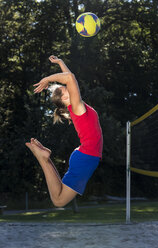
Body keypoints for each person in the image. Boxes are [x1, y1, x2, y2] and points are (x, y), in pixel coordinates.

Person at [25, 55, 103, 207]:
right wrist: (48, 79)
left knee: (59, 199)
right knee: (58, 200)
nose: (69, 86)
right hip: (86, 157)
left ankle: (44, 157)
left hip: (86, 156)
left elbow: (69, 77)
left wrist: (61, 62)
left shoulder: (77, 106)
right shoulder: (76, 107)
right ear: (65, 97)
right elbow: (69, 77)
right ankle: (42, 158)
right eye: (65, 88)